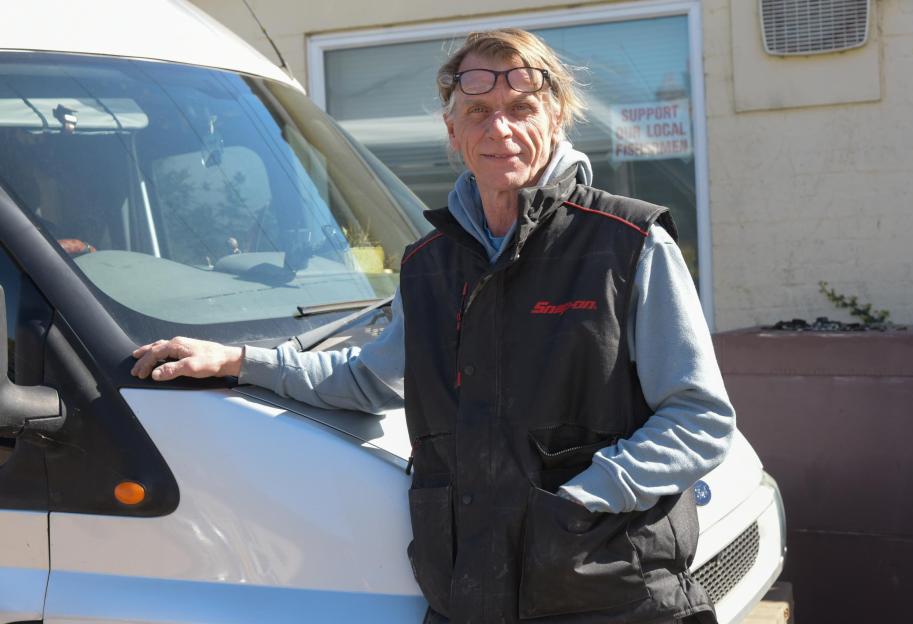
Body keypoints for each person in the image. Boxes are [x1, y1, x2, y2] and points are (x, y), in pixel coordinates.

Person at [131, 29, 734, 624]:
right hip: (468, 596)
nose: (500, 129)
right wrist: (240, 361)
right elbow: (366, 380)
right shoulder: (430, 265)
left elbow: (699, 419)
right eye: (478, 112)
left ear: (555, 120)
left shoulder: (627, 243)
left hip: (610, 595)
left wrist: (584, 498)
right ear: (452, 131)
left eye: (521, 109)